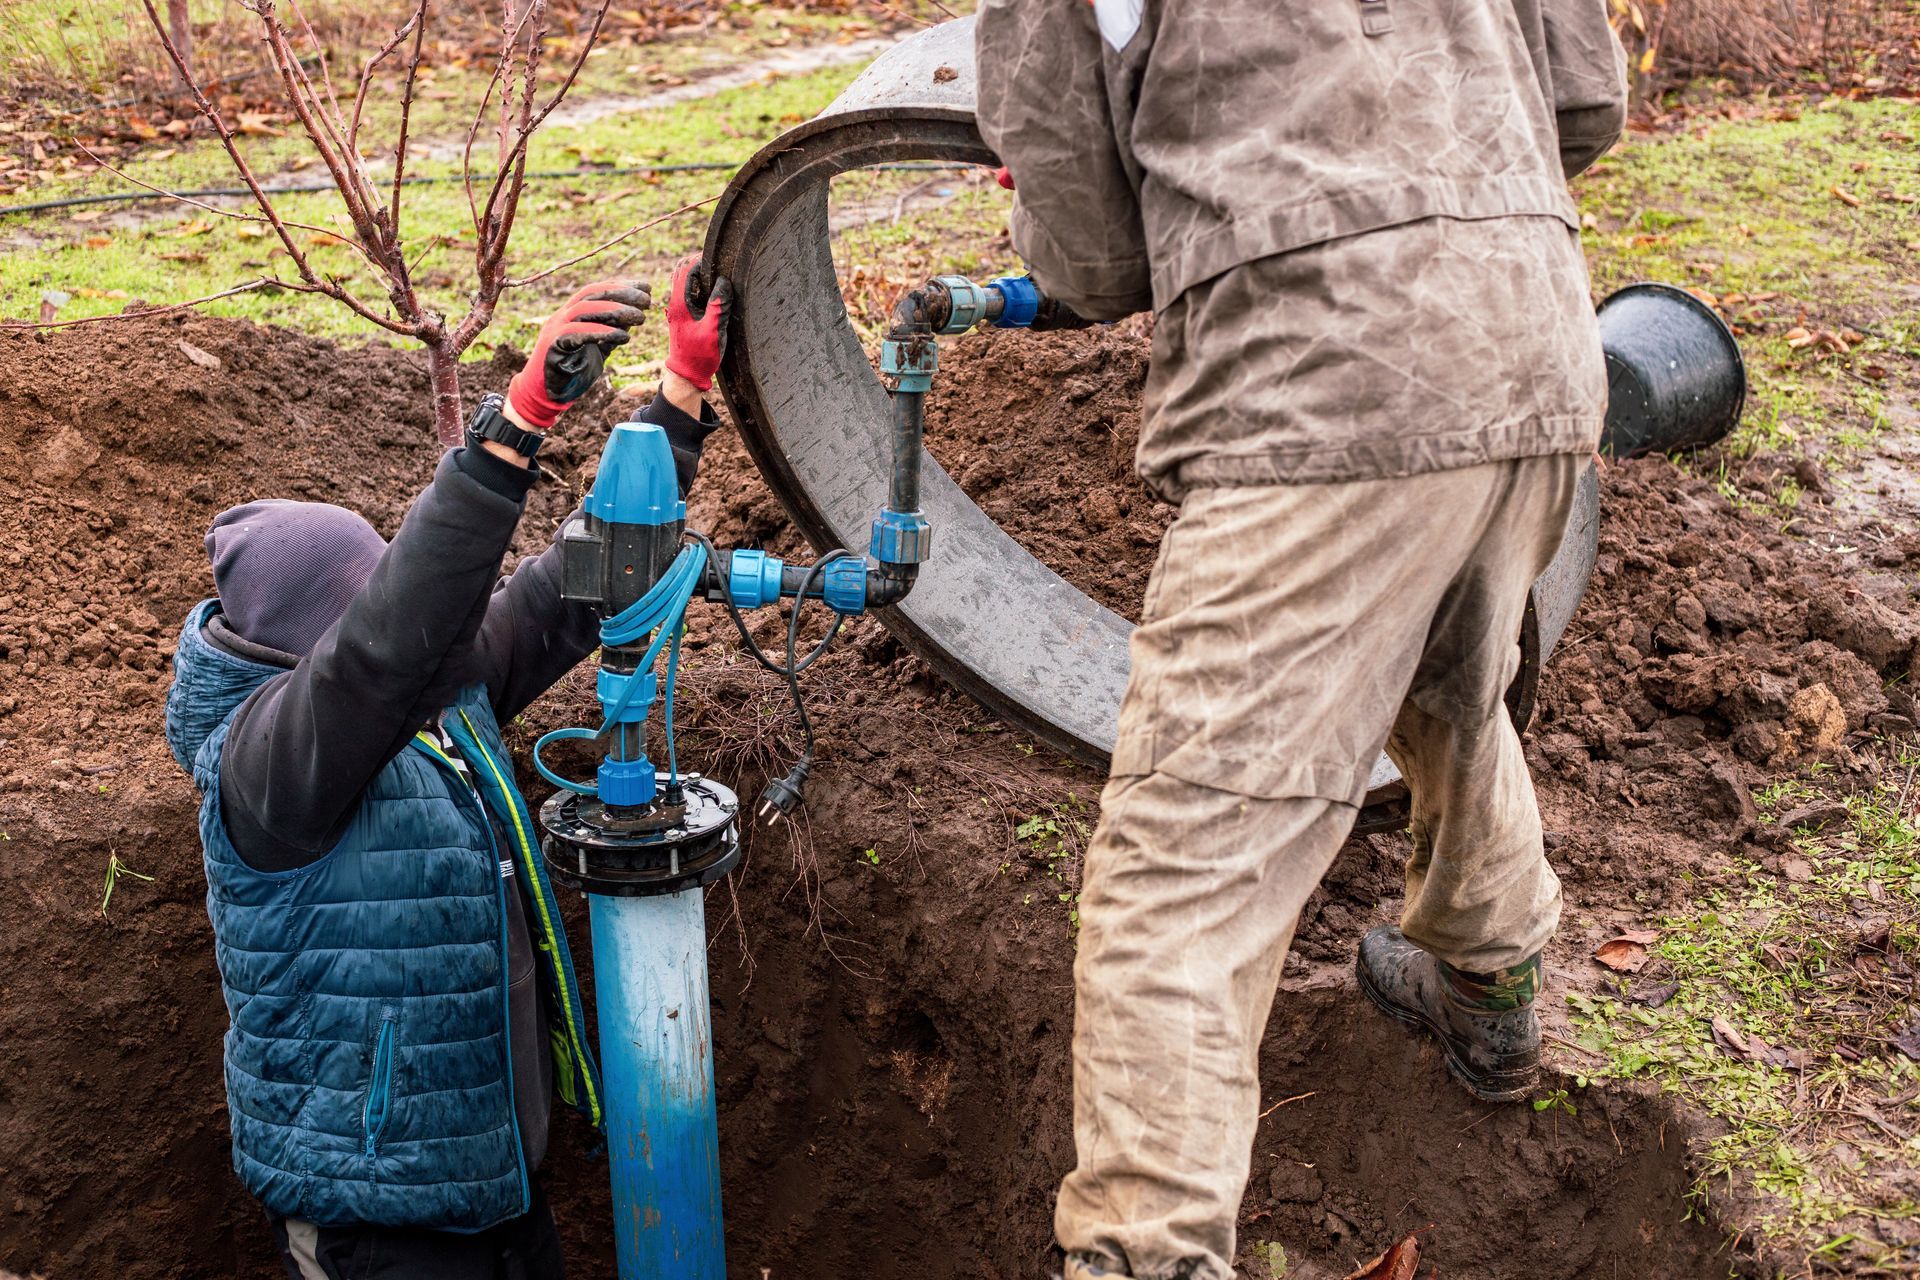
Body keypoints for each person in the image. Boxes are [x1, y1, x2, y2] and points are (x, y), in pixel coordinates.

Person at [974, 2, 1628, 1276]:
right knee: (1446, 672)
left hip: (1319, 380)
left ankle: (1139, 1253)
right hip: (1533, 336)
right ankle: (1491, 983)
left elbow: (1093, 257)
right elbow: (1589, 104)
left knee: (1183, 863)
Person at [163, 256, 730, 1280]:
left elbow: (577, 581)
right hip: (381, 1233)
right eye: (360, 595)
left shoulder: (439, 698)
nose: (395, 614)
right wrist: (514, 426)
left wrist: (678, 402)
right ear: (305, 643)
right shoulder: (268, 770)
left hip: (499, 1199)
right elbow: (383, 652)